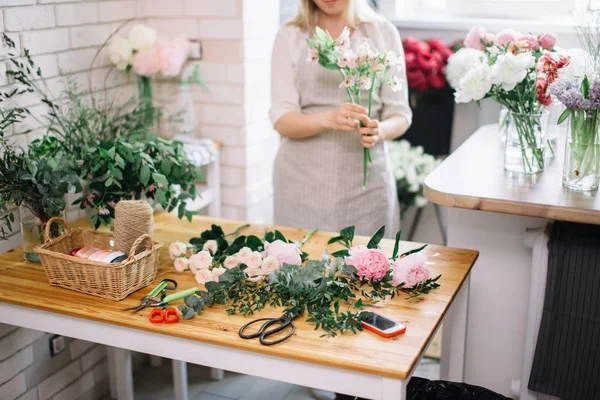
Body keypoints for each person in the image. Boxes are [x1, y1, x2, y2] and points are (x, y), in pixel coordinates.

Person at [270, 0, 412, 241]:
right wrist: (328, 119)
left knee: (367, 269)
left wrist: (379, 130)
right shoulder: (290, 36)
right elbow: (282, 120)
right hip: (300, 186)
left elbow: (400, 114)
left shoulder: (382, 32)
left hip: (367, 186)